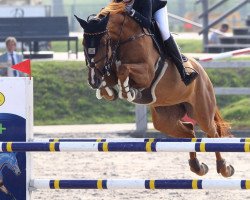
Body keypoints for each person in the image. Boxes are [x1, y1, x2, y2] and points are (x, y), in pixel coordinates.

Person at [113, 0, 198, 86]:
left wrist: (132, 12)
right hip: (141, 11)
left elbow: (147, 23)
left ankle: (184, 73)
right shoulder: (117, 0)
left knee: (164, 32)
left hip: (156, 7)